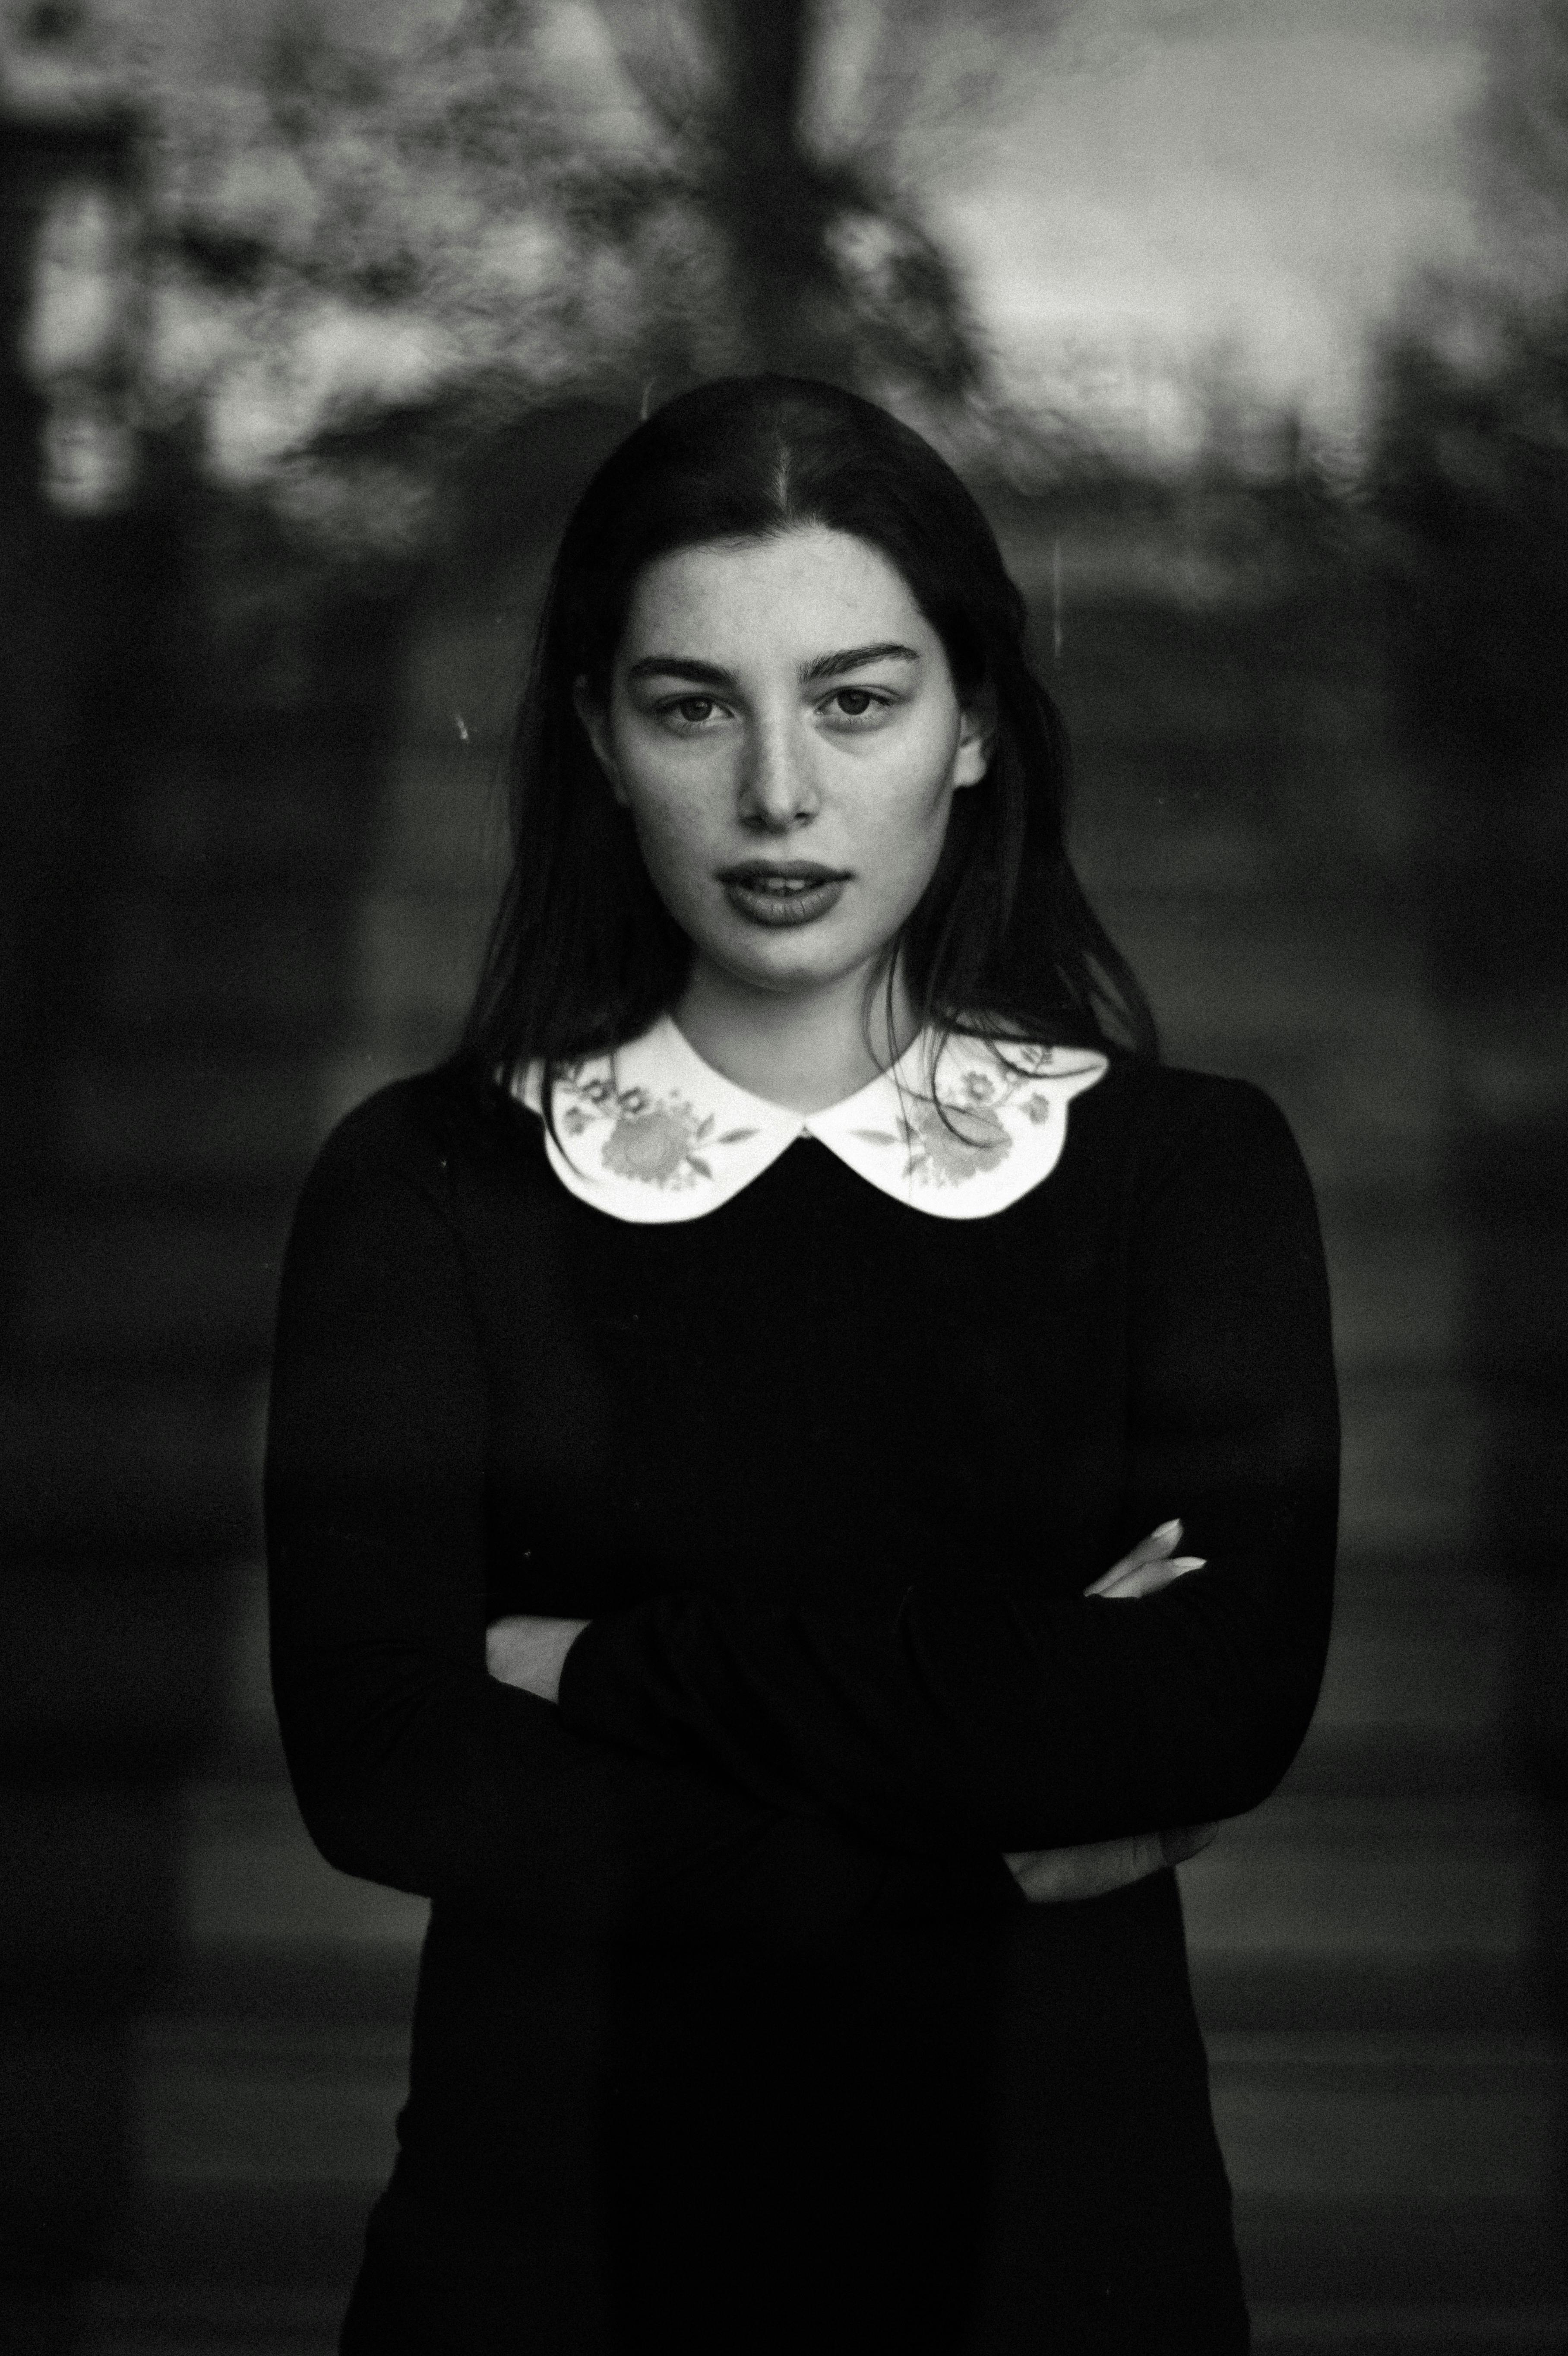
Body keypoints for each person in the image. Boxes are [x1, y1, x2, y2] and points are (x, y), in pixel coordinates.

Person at [265, 375, 1340, 2355]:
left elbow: (1207, 1704)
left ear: (974, 725)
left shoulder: (1185, 1176)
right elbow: (391, 1763)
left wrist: (597, 1663)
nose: (776, 792)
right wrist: (988, 1802)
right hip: (556, 2258)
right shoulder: (427, 1186)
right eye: (695, 705)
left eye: (853, 698)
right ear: (594, 728)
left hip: (1049, 2246)